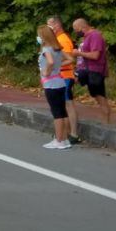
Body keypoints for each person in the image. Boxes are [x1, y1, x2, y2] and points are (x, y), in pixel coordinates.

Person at [48, 16, 81, 144]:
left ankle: (73, 133)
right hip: (59, 76)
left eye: (50, 25)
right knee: (63, 105)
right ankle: (65, 132)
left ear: (57, 25)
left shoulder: (63, 39)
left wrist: (52, 64)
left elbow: (68, 59)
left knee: (68, 105)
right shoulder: (57, 39)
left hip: (65, 76)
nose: (49, 28)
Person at [38, 24, 71, 149]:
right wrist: (58, 66)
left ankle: (58, 140)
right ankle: (65, 138)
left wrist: (47, 71)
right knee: (62, 111)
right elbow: (70, 59)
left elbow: (50, 62)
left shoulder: (46, 49)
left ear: (44, 36)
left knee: (56, 113)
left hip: (50, 84)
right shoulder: (57, 48)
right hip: (60, 82)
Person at [73, 18, 112, 123]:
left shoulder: (95, 36)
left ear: (82, 27)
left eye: (76, 29)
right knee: (70, 82)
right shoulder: (87, 37)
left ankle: (106, 121)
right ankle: (69, 111)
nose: (76, 32)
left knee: (100, 97)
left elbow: (95, 55)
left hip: (94, 70)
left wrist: (79, 53)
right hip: (86, 69)